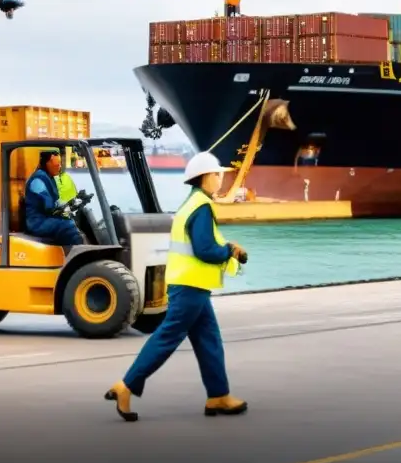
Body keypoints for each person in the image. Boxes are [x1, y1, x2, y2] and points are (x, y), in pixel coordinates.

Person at [104, 151, 249, 422]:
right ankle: (126, 385)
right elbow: (205, 249)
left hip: (192, 286)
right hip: (190, 286)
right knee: (167, 337)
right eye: (218, 174)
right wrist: (229, 250)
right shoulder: (201, 207)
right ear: (206, 177)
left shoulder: (190, 204)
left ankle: (218, 395)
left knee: (209, 340)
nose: (220, 179)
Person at [23, 150, 84, 247]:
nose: (59, 167)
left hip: (45, 218)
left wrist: (72, 203)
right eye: (57, 165)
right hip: (37, 222)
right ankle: (80, 255)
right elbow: (49, 206)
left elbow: (56, 201)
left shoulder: (48, 178)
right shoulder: (38, 180)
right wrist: (64, 208)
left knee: (74, 222)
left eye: (60, 165)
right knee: (68, 226)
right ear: (47, 164)